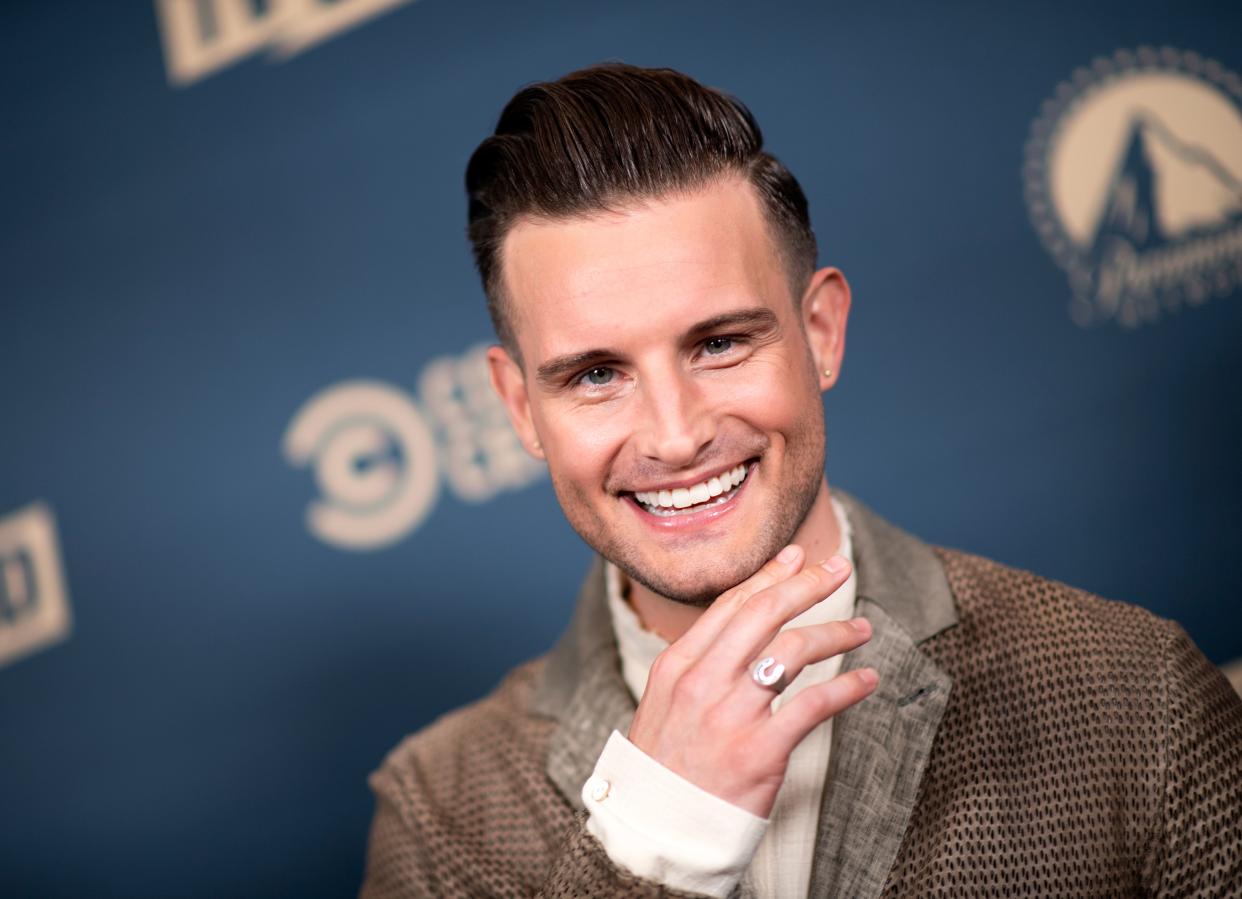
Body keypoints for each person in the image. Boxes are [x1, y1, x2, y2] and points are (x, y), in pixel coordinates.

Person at [359, 63, 1242, 898]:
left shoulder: (1131, 691)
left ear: (820, 331)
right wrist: (657, 843)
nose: (675, 435)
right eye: (595, 374)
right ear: (519, 407)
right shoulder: (440, 816)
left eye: (720, 343)